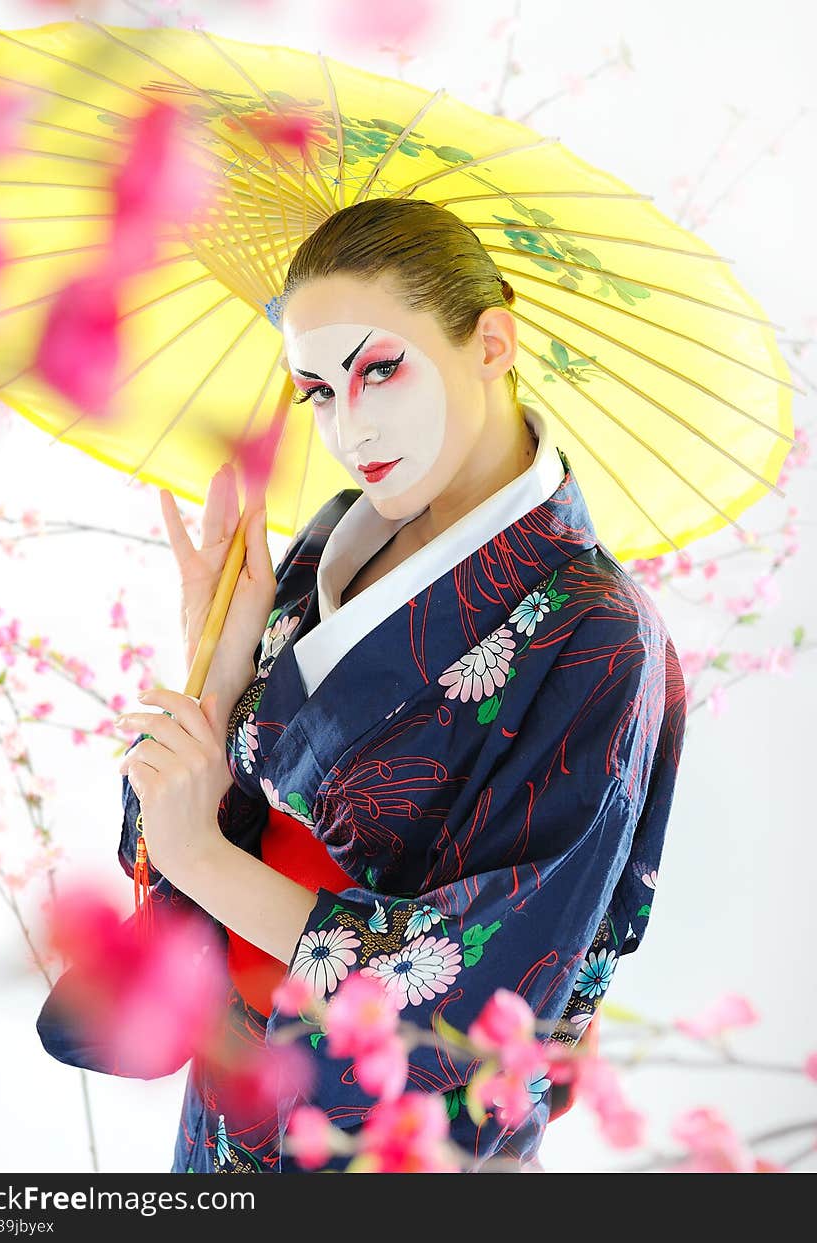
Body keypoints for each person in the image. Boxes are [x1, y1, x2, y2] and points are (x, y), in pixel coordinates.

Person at [36, 198, 687, 1174]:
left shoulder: (599, 635)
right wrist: (216, 661)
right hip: (233, 1108)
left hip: (388, 1146)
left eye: (380, 369)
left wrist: (201, 855)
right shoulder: (328, 546)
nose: (350, 426)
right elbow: (214, 803)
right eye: (317, 391)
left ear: (491, 343)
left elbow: (475, 999)